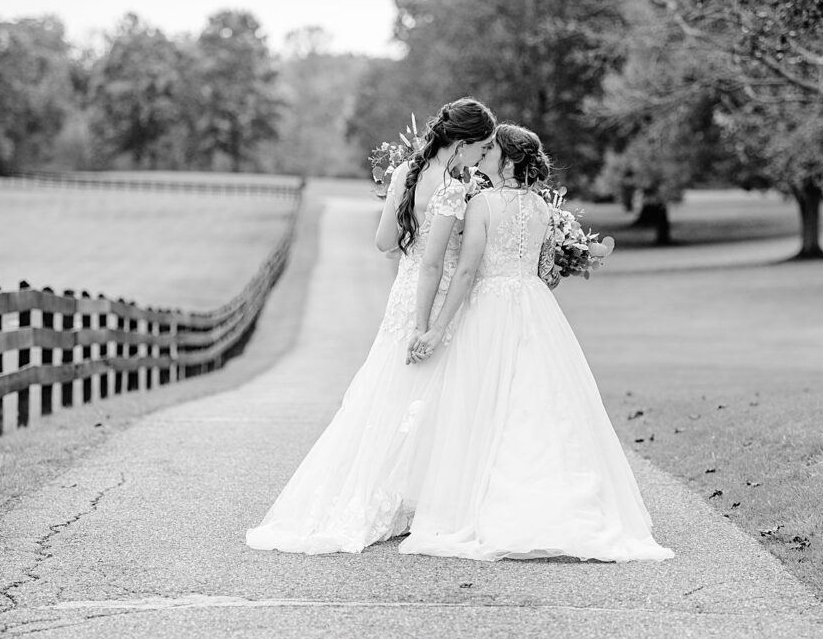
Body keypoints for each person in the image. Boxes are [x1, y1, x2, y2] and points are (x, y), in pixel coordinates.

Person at [399, 123, 675, 562]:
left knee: (489, 401)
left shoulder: (482, 204)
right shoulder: (544, 208)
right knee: (540, 400)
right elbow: (548, 274)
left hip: (490, 306)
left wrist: (437, 327)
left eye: (491, 151)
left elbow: (468, 273)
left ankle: (490, 505)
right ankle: (557, 497)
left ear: (507, 160)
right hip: (535, 306)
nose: (485, 155)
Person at [245, 98, 496, 554]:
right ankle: (423, 499)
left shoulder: (406, 172)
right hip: (427, 300)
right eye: (480, 150)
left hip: (400, 294)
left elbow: (385, 243)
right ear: (461, 144)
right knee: (432, 390)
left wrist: (413, 238)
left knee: (389, 393)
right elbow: (434, 263)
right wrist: (426, 326)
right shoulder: (455, 188)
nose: (481, 160)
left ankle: (397, 493)